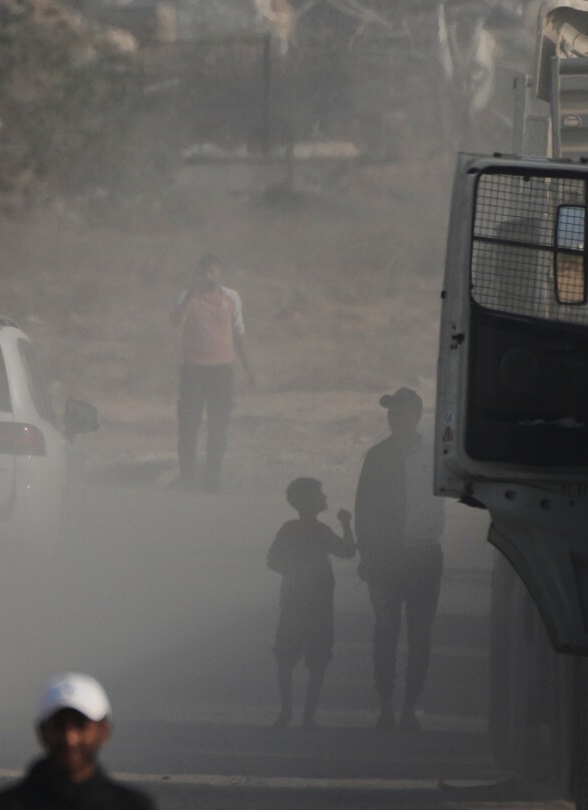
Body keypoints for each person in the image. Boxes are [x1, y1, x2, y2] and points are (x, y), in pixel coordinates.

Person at [354, 387, 446, 731]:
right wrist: (367, 553)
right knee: (386, 631)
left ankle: (409, 706)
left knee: (420, 635)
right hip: (387, 557)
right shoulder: (377, 455)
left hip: (425, 554)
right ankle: (386, 705)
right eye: (391, 414)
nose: (395, 419)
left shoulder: (436, 453)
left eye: (402, 412)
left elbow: (456, 456)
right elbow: (363, 508)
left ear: (417, 415)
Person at [0, 673, 155, 810]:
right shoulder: (5, 806)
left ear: (104, 731)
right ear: (42, 731)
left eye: (80, 726)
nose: (70, 739)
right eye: (59, 726)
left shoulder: (132, 806)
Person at [267, 477, 357, 729]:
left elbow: (272, 560)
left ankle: (286, 711)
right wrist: (346, 524)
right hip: (318, 606)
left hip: (293, 602)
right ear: (309, 500)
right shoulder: (321, 532)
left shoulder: (289, 529)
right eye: (320, 494)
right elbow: (348, 551)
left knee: (286, 659)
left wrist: (293, 572)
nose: (325, 497)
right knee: (317, 661)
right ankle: (308, 716)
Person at [169, 254, 254, 492]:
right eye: (204, 271)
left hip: (222, 373)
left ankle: (212, 480)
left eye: (213, 271)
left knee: (218, 428)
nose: (208, 276)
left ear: (220, 273)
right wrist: (190, 297)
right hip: (193, 371)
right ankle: (188, 479)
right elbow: (175, 321)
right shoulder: (188, 295)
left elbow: (239, 333)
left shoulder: (232, 297)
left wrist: (248, 369)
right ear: (198, 272)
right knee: (188, 426)